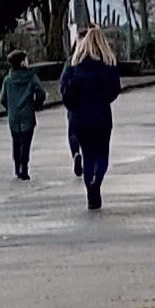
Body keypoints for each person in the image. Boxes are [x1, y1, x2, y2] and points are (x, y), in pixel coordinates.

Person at [60, 25, 120, 212]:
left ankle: (90, 193)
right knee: (102, 154)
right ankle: (97, 182)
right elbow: (114, 90)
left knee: (87, 155)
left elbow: (64, 90)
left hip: (79, 118)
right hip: (101, 116)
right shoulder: (107, 64)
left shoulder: (73, 64)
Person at [0, 49, 45, 181]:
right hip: (27, 114)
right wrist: (36, 105)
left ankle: (17, 166)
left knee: (16, 141)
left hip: (14, 116)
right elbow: (41, 92)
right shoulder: (31, 77)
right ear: (22, 62)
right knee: (26, 143)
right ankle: (24, 168)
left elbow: (2, 99)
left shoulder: (8, 80)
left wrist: (10, 108)